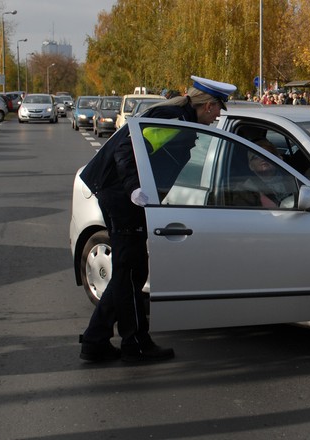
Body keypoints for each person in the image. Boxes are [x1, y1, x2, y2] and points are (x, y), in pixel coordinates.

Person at [78, 75, 236, 363]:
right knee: (132, 271)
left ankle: (96, 340)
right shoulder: (173, 119)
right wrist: (133, 189)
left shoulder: (180, 116)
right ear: (208, 105)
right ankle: (135, 344)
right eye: (218, 110)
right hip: (121, 195)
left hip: (122, 194)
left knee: (128, 271)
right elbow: (127, 149)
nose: (217, 117)